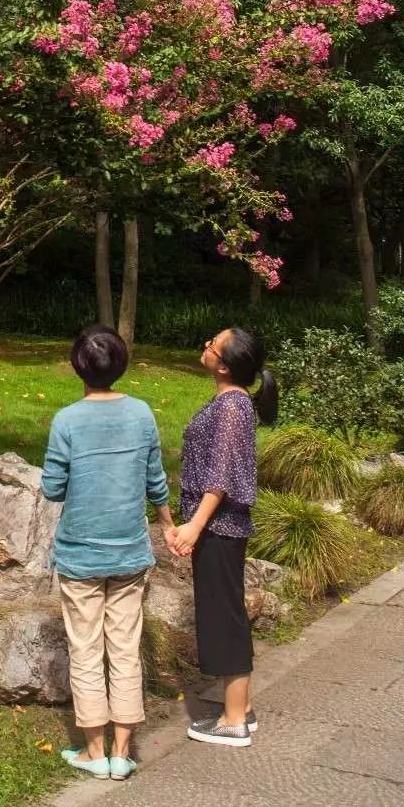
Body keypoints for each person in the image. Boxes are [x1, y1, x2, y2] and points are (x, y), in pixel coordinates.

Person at [42, 324, 175, 781]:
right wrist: (168, 522)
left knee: (85, 649)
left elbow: (52, 488)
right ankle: (122, 752)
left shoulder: (67, 420)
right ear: (121, 366)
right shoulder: (142, 414)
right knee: (124, 649)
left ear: (78, 367)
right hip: (130, 554)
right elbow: (155, 479)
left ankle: (93, 753)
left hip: (80, 556)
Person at [166, 326, 279, 748]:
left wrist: (195, 524)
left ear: (226, 364)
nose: (205, 346)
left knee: (225, 617)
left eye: (211, 345)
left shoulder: (232, 407)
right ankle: (240, 709)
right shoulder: (230, 401)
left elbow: (221, 477)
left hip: (218, 526)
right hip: (217, 526)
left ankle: (233, 721)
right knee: (224, 612)